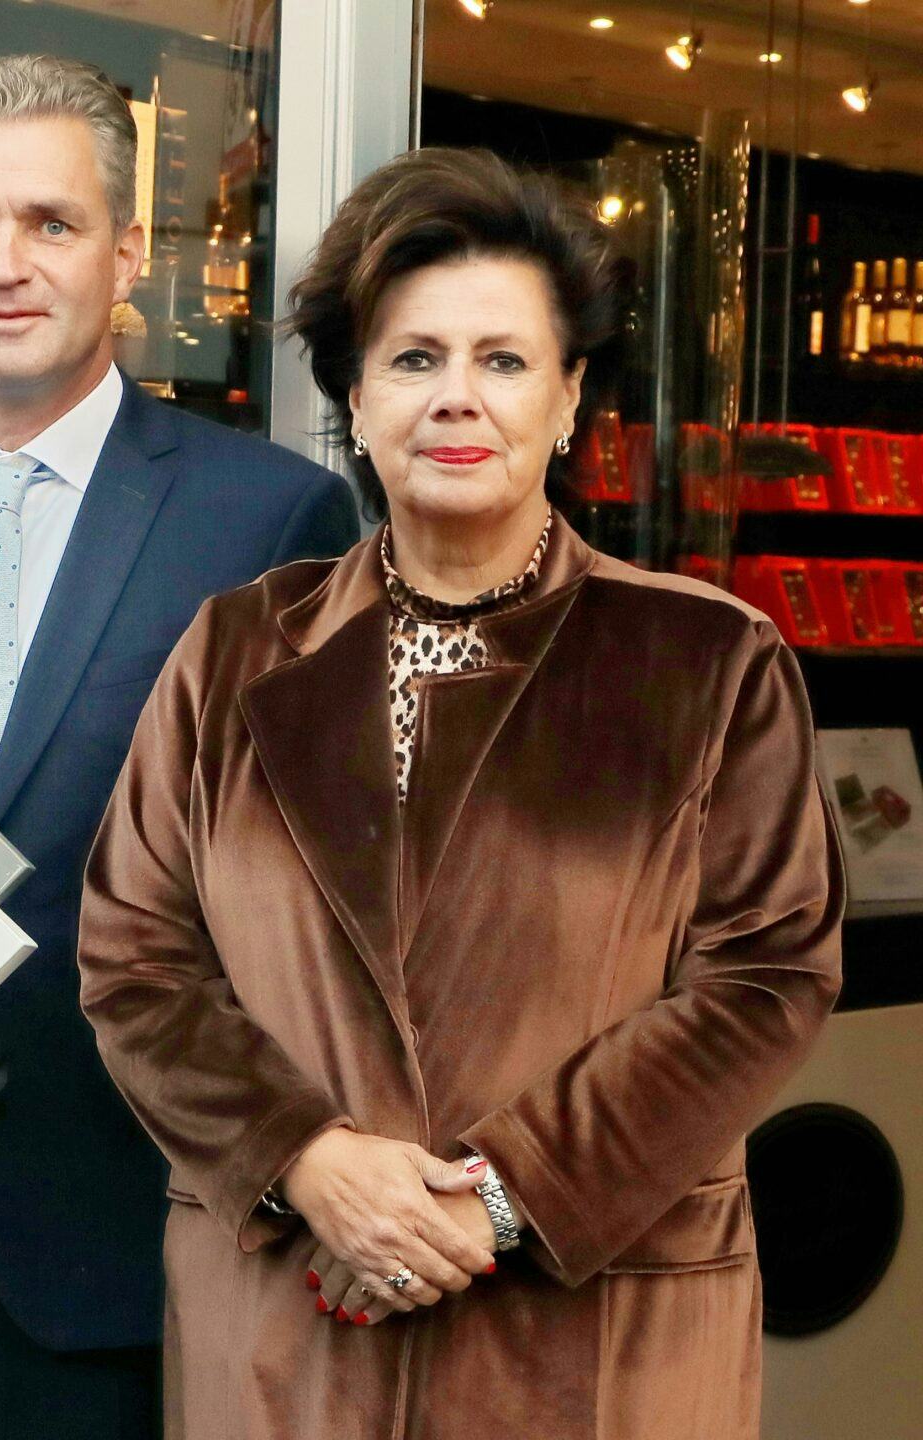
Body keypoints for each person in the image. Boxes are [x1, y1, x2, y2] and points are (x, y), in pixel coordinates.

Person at [77, 147, 844, 1439]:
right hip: (291, 1324)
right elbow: (134, 955)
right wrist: (308, 1162)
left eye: (503, 360)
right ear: (357, 399)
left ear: (569, 396)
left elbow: (766, 975)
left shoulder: (705, 659)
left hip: (595, 1332)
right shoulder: (239, 649)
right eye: (414, 359)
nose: (458, 399)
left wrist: (493, 1199)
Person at [0, 54, 359, 1440]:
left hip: (129, 1246)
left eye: (52, 222)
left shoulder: (267, 524)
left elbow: (315, 912)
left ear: (128, 250)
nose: (5, 264)